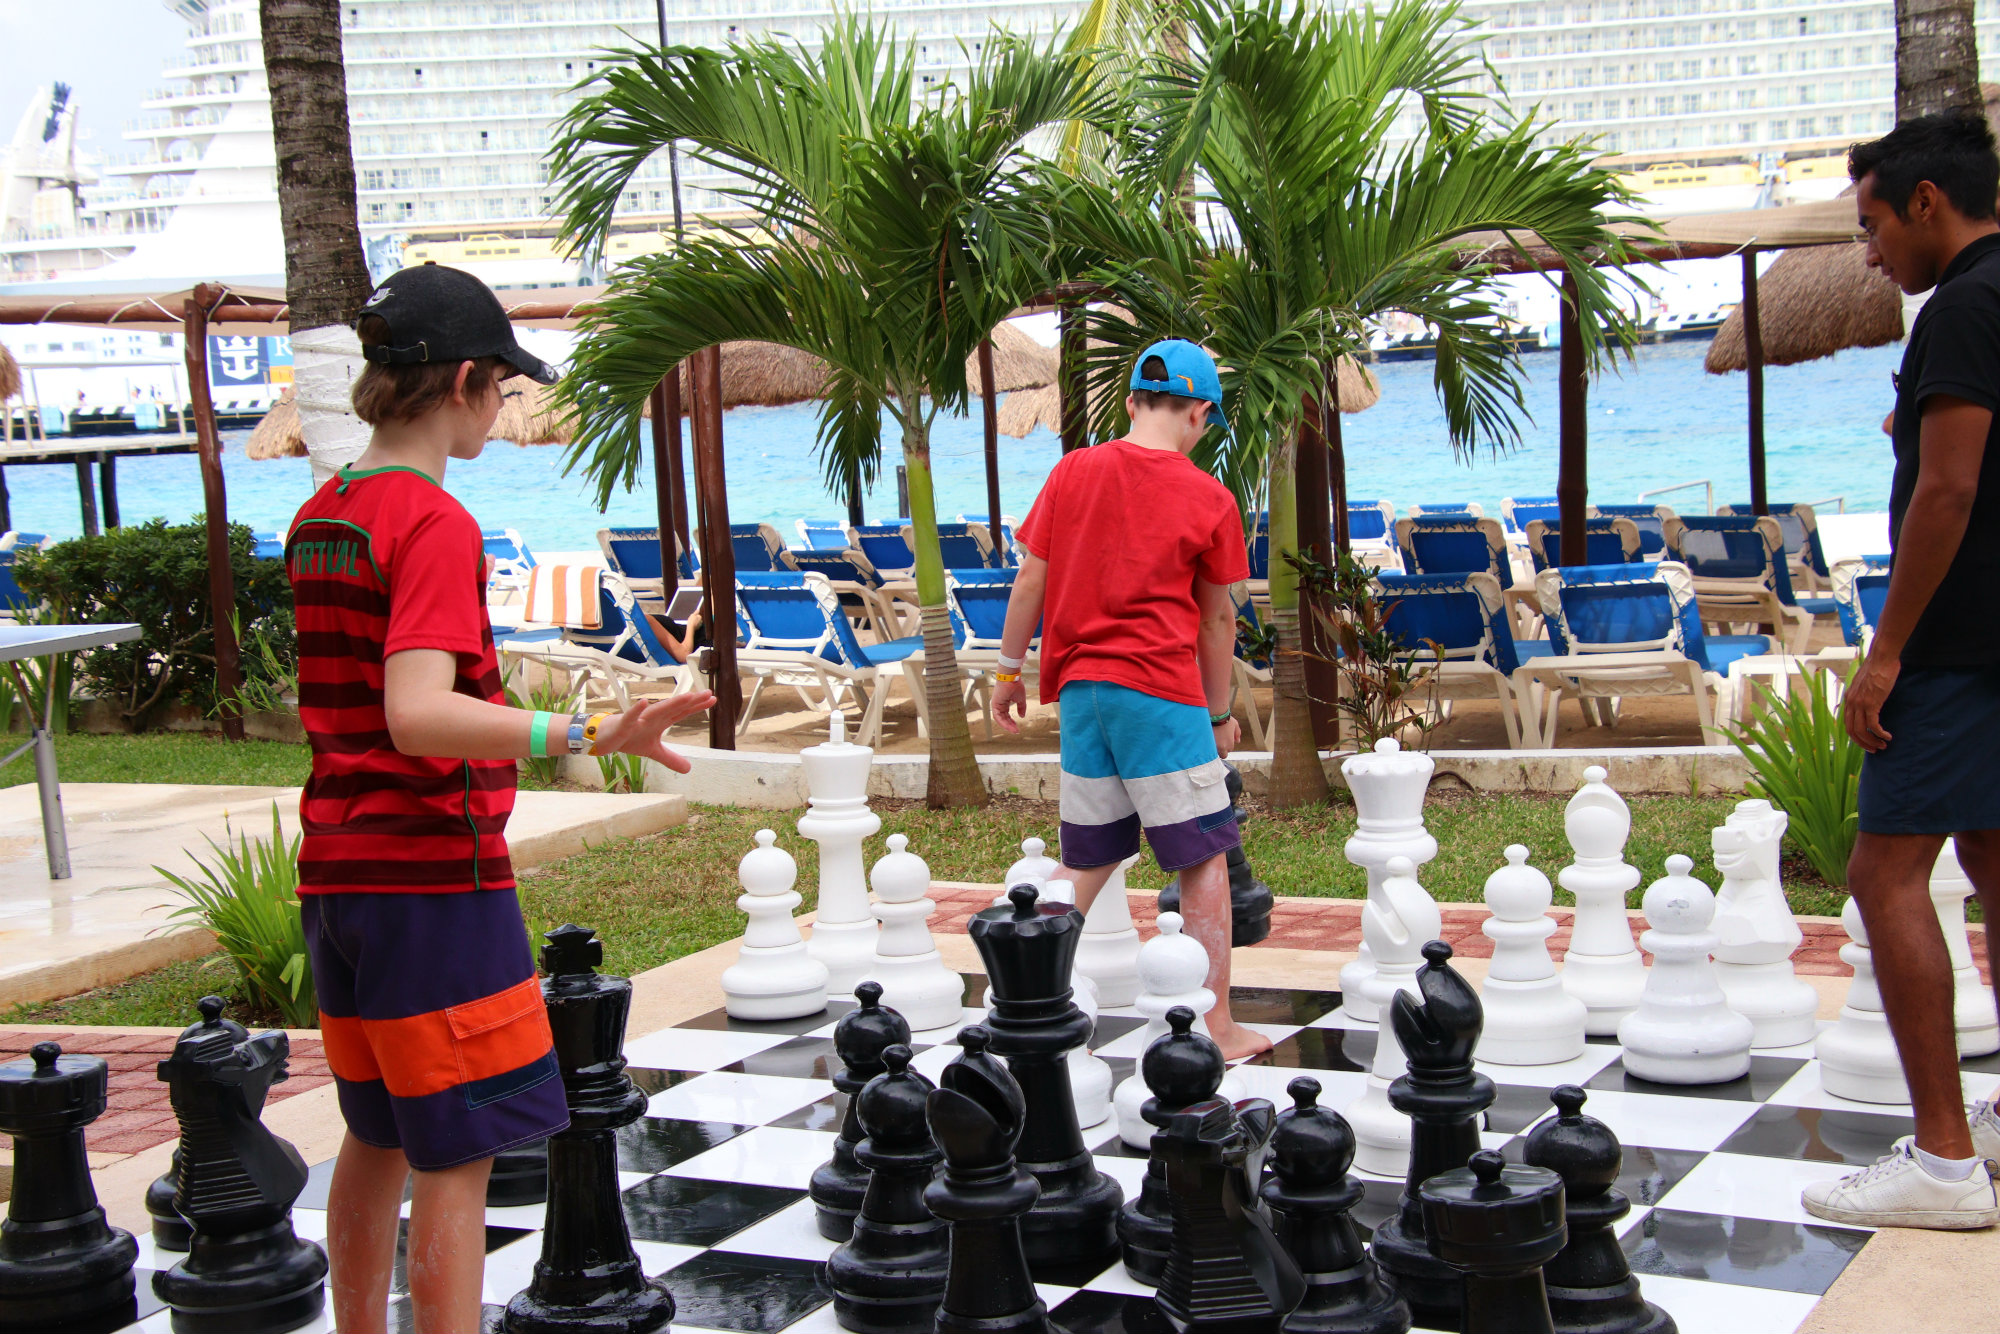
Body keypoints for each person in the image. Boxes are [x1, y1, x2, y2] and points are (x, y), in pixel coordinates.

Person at [286, 264, 714, 1332]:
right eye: (505, 388)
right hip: (433, 879)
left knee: (376, 1136)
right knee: (458, 1153)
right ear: (468, 379)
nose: (506, 405)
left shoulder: (321, 512)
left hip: (338, 877)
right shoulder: (431, 523)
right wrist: (581, 730)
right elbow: (418, 713)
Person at [1802, 112, 2000, 1231]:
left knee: (1885, 874)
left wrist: (1886, 653)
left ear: (1926, 200)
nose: (1869, 251)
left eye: (1872, 223)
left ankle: (1939, 1159)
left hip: (1957, 643)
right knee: (1991, 858)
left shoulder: (1965, 305)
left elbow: (1948, 490)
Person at [991, 338, 1268, 1060]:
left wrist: (1006, 671)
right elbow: (1216, 619)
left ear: (1130, 401)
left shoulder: (1072, 471)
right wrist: (1217, 713)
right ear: (1200, 414)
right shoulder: (1210, 497)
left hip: (1082, 695)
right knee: (1204, 854)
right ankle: (1216, 1027)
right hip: (1160, 695)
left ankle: (1015, 1003)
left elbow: (1030, 582)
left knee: (1086, 859)